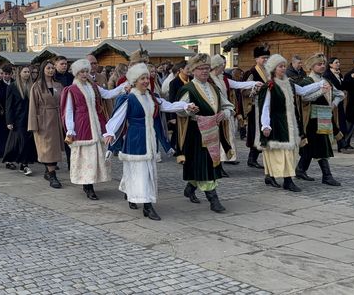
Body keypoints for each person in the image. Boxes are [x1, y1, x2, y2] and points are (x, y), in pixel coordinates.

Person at [104, 63, 195, 220]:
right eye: (142, 78)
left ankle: (132, 193)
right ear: (134, 81)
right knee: (139, 171)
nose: (146, 81)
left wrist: (186, 106)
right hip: (135, 139)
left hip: (150, 139)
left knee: (145, 171)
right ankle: (147, 206)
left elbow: (168, 106)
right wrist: (110, 132)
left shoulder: (152, 97)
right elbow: (117, 117)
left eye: (147, 77)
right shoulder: (128, 98)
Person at [257, 54, 327, 192]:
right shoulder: (269, 86)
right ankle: (286, 180)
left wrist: (319, 84)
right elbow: (265, 106)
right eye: (280, 66)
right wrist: (265, 124)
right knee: (279, 151)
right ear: (273, 68)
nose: (283, 69)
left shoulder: (288, 82)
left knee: (290, 151)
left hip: (290, 122)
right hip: (277, 122)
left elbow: (302, 91)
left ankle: (273, 176)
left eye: (284, 66)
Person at [176, 53, 234, 213]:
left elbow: (229, 105)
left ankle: (190, 187)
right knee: (204, 164)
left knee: (206, 164)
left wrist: (225, 113)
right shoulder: (187, 89)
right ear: (193, 70)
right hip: (196, 134)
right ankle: (213, 200)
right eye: (200, 68)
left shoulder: (214, 88)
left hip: (213, 133)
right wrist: (188, 110)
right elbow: (179, 110)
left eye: (207, 68)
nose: (204, 71)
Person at [61, 59, 126, 200]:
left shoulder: (94, 87)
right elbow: (69, 111)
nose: (85, 74)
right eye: (82, 72)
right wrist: (70, 129)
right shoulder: (71, 90)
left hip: (96, 124)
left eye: (86, 71)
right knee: (85, 156)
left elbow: (108, 94)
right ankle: (88, 186)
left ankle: (91, 181)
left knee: (95, 155)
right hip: (82, 124)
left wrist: (124, 86)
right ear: (76, 73)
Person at [296, 53, 344, 186]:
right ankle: (327, 175)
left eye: (323, 64)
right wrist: (320, 92)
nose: (322, 66)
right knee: (322, 145)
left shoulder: (326, 81)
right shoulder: (307, 81)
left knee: (311, 146)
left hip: (324, 116)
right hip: (313, 117)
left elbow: (340, 94)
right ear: (312, 66)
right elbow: (304, 98)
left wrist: (333, 104)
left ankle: (300, 169)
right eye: (319, 64)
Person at [209, 55, 263, 170]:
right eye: (221, 64)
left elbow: (237, 84)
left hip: (224, 112)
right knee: (215, 140)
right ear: (216, 66)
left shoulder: (222, 78)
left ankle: (220, 165)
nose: (223, 66)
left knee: (225, 138)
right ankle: (216, 166)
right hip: (213, 113)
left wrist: (254, 83)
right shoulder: (209, 79)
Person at [28, 60, 65, 188]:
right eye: (48, 68)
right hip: (43, 119)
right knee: (47, 148)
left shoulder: (58, 85)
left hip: (56, 118)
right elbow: (33, 106)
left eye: (52, 68)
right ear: (43, 70)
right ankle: (52, 175)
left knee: (54, 147)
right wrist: (33, 124)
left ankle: (48, 171)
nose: (51, 70)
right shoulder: (37, 86)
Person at [3, 66, 37, 175]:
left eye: (29, 72)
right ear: (20, 73)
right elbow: (9, 105)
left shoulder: (32, 86)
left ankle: (22, 162)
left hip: (30, 117)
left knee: (26, 141)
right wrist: (9, 121)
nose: (27, 74)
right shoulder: (13, 87)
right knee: (22, 140)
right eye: (25, 72)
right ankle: (24, 165)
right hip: (18, 118)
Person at [243, 45, 270, 169]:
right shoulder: (252, 72)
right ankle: (251, 158)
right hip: (255, 107)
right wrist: (256, 90)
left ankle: (256, 157)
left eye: (267, 58)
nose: (265, 60)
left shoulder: (269, 71)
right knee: (256, 133)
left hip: (267, 105)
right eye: (263, 58)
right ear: (256, 59)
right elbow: (244, 91)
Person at [324, 57, 349, 151]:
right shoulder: (327, 74)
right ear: (330, 64)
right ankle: (332, 144)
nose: (338, 64)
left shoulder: (339, 74)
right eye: (336, 62)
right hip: (331, 102)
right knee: (333, 123)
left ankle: (341, 144)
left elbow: (342, 86)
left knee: (341, 122)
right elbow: (329, 89)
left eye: (339, 62)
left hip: (340, 101)